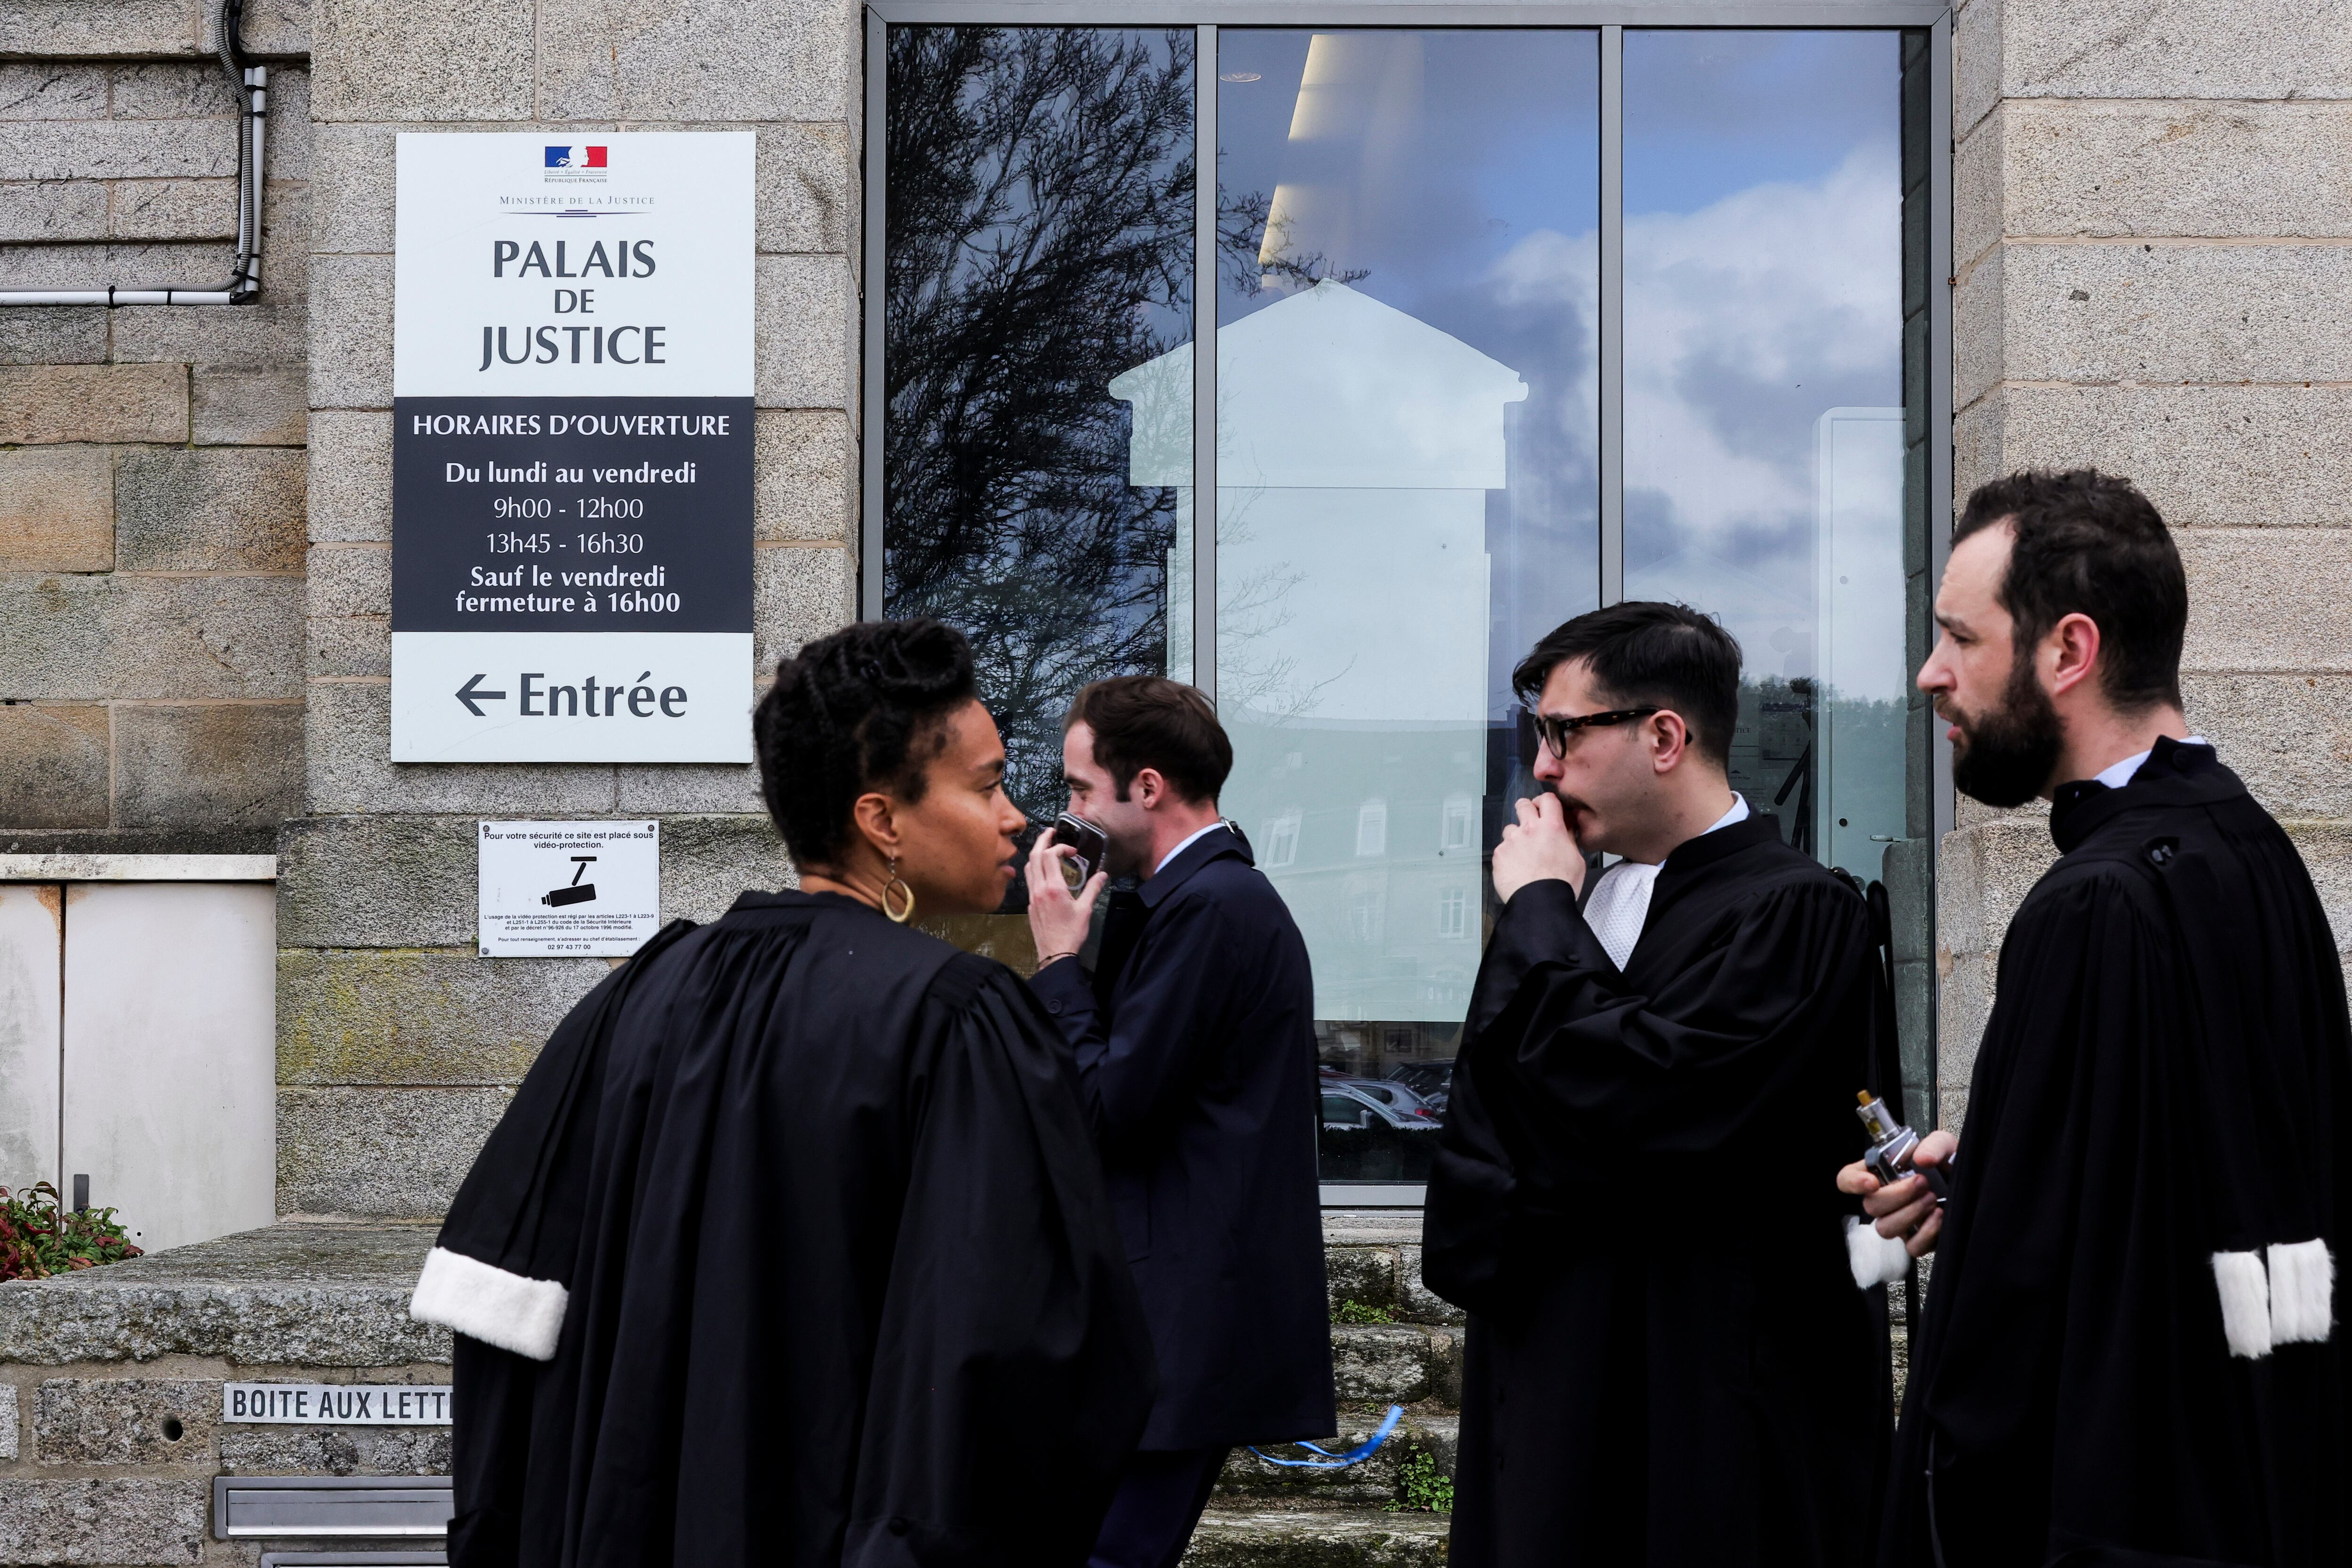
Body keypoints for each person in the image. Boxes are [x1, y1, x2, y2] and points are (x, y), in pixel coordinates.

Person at [409, 619, 1155, 1568]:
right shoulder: (954, 1023)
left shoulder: (636, 996)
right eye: (986, 783)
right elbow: (1010, 1368)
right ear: (881, 819)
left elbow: (503, 1320)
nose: (1016, 815)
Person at [1843, 469, 2350, 1566]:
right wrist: (1983, 1179)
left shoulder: (2097, 903)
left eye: (1958, 639)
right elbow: (2190, 1180)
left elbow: (2012, 1337)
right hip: (2258, 1492)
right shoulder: (2258, 855)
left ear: (2067, 651)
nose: (1931, 675)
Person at [1423, 601, 1893, 1568]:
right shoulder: (1584, 893)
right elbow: (1496, 1115)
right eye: (1536, 736)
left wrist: (1542, 909)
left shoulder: (1798, 909)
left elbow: (1649, 1103)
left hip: (1705, 1402)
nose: (1542, 766)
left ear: (1665, 734)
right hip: (1563, 1378)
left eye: (1562, 732)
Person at [1022, 676, 1334, 1568]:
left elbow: (1104, 1110)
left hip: (1181, 1324)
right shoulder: (1181, 901)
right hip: (1170, 1319)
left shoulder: (1213, 907)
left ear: (1147, 787)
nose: (1069, 813)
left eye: (1082, 790)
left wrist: (1057, 967)